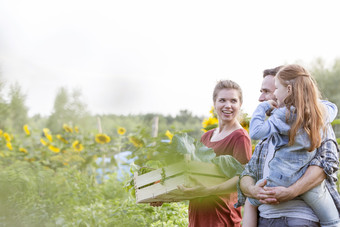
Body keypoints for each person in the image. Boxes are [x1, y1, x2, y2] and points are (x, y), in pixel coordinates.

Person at [237, 65, 340, 227]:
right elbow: (247, 173)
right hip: (265, 218)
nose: (261, 98)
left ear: (289, 91)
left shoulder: (315, 123)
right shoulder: (271, 130)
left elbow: (327, 163)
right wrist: (253, 190)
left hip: (299, 217)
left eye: (267, 91)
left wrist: (291, 191)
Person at [153, 80, 252, 226]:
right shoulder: (207, 136)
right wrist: (166, 193)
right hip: (198, 214)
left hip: (221, 216)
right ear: (214, 103)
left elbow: (242, 179)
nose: (228, 105)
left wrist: (209, 190)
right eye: (222, 100)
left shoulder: (240, 137)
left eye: (233, 101)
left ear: (240, 104)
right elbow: (194, 177)